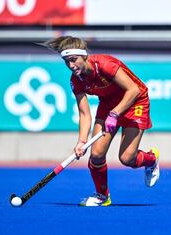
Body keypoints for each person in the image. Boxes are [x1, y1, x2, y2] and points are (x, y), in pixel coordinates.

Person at [42, 36, 160, 206]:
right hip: (108, 105)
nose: (71, 65)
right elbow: (84, 114)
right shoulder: (76, 80)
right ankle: (102, 196)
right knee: (96, 155)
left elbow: (133, 90)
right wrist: (81, 141)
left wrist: (115, 114)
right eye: (66, 62)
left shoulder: (105, 64)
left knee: (127, 158)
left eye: (74, 60)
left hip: (135, 102)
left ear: (84, 56)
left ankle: (151, 159)